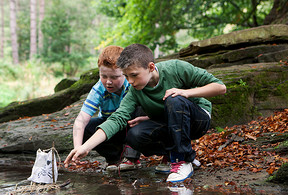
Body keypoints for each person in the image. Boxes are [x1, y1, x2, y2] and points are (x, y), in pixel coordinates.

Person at [65, 43, 226, 182]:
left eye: (134, 75)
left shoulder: (176, 68)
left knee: (174, 98)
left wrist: (186, 93)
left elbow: (220, 87)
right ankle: (187, 156)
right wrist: (85, 147)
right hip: (169, 122)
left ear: (150, 67)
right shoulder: (135, 91)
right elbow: (117, 119)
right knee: (135, 134)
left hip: (197, 119)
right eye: (127, 76)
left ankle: (181, 161)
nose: (130, 82)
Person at [71, 45, 148, 172]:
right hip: (110, 129)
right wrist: (77, 148)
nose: (108, 82)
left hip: (132, 125)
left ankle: (132, 158)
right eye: (104, 76)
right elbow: (81, 120)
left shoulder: (133, 85)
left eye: (114, 77)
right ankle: (114, 158)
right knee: (87, 127)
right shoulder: (98, 89)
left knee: (138, 109)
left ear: (125, 73)